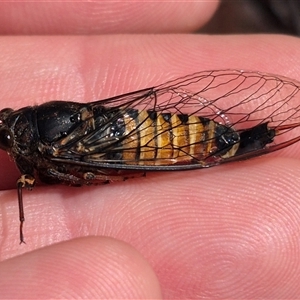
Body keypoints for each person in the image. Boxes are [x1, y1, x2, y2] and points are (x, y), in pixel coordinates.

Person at [0, 2, 300, 298]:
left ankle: (241, 141)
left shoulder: (44, 153)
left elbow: (58, 175)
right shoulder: (40, 135)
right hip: (123, 128)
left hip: (130, 143)